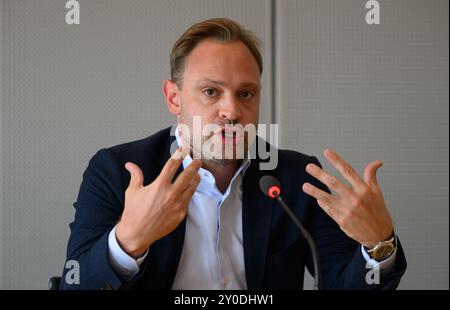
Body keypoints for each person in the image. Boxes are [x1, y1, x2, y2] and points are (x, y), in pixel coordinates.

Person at [60, 18, 406, 290]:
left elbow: (340, 284)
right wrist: (128, 242)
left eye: (246, 94)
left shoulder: (298, 178)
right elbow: (74, 284)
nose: (232, 111)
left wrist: (378, 244)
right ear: (174, 98)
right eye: (211, 91)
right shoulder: (117, 171)